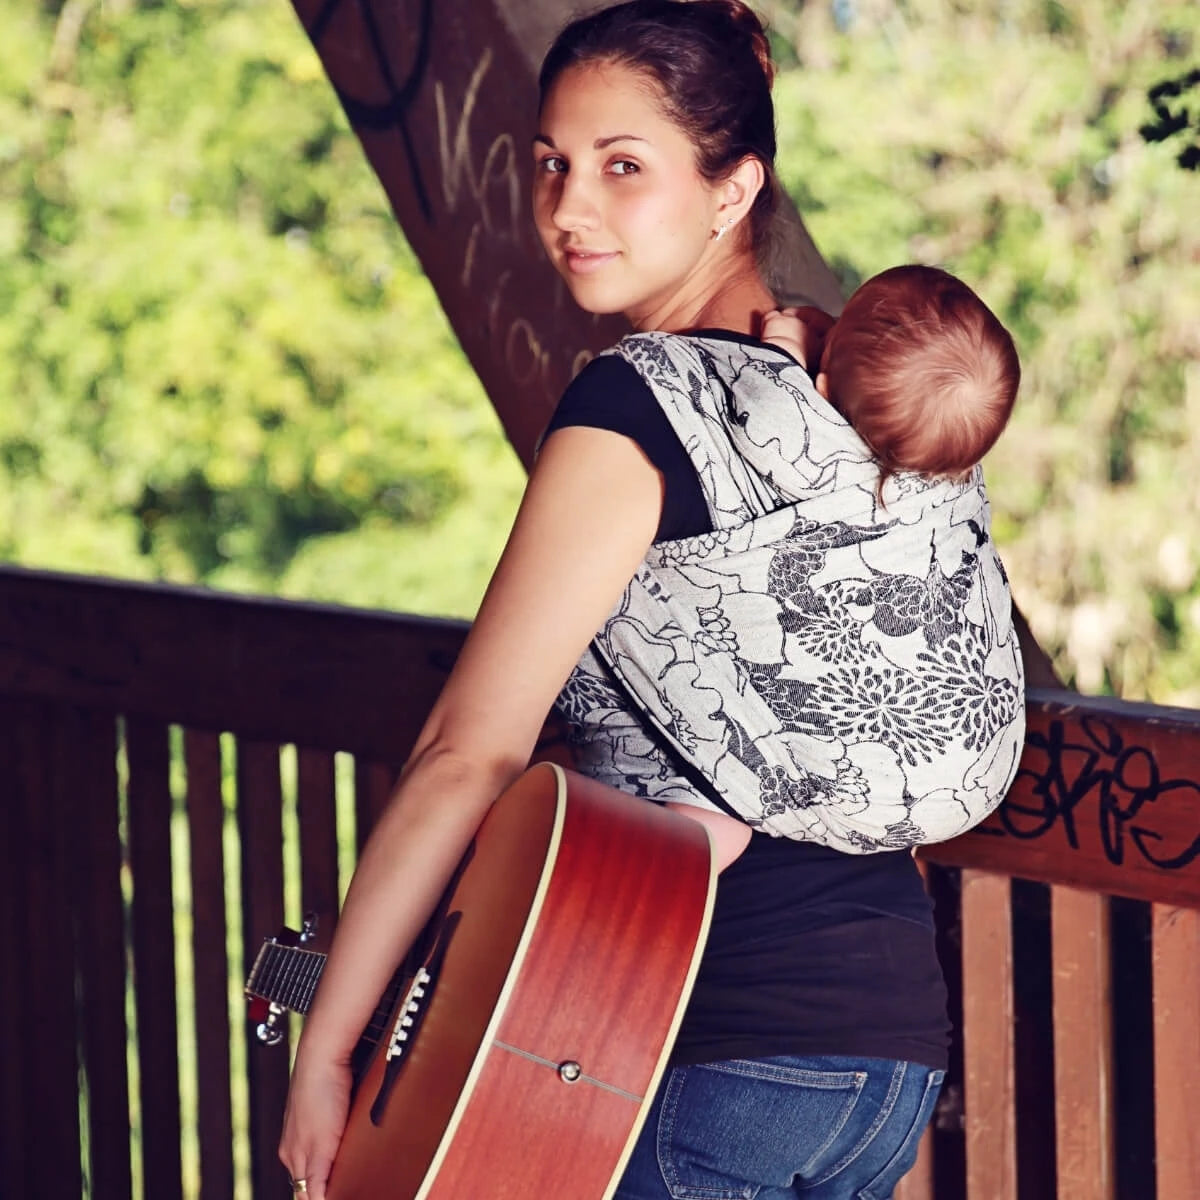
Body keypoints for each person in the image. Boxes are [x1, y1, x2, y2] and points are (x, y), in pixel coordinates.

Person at [280, 3, 1025, 1196]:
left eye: (624, 168)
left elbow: (464, 756)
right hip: (883, 1059)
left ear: (734, 189)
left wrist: (325, 1052)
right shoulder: (850, 399)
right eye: (552, 165)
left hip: (692, 1045)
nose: (571, 209)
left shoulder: (637, 407)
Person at [761, 263, 1020, 487]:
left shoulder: (827, 463)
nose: (830, 323)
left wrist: (788, 352)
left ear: (824, 391)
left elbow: (774, 408)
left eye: (836, 324)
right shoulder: (936, 456)